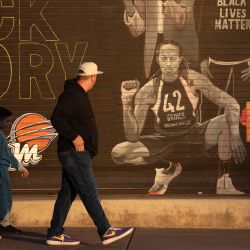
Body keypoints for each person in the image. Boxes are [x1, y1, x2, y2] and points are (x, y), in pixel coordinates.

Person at [111, 40, 246, 195]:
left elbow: (231, 104)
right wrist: (127, 102)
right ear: (158, 59)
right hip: (164, 140)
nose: (168, 63)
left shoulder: (192, 79)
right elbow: (132, 136)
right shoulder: (147, 90)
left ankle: (224, 182)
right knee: (118, 153)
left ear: (180, 59)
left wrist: (235, 136)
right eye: (164, 58)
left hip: (194, 135)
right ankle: (169, 170)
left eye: (173, 58)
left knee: (225, 121)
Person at [47, 62, 134, 246]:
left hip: (73, 153)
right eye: (96, 77)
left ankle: (55, 233)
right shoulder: (73, 94)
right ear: (93, 77)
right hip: (75, 153)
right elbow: (56, 118)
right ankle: (106, 230)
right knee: (89, 191)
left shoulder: (78, 93)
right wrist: (75, 137)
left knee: (67, 193)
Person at [123, 0, 199, 78]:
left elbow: (182, 20)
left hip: (182, 52)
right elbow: (137, 31)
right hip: (154, 51)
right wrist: (129, 5)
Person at [0, 107, 29, 237]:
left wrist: (20, 167)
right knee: (5, 198)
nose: (9, 124)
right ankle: (3, 224)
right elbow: (8, 155)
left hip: (3, 169)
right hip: (1, 171)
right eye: (7, 121)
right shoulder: (0, 137)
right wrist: (21, 167)